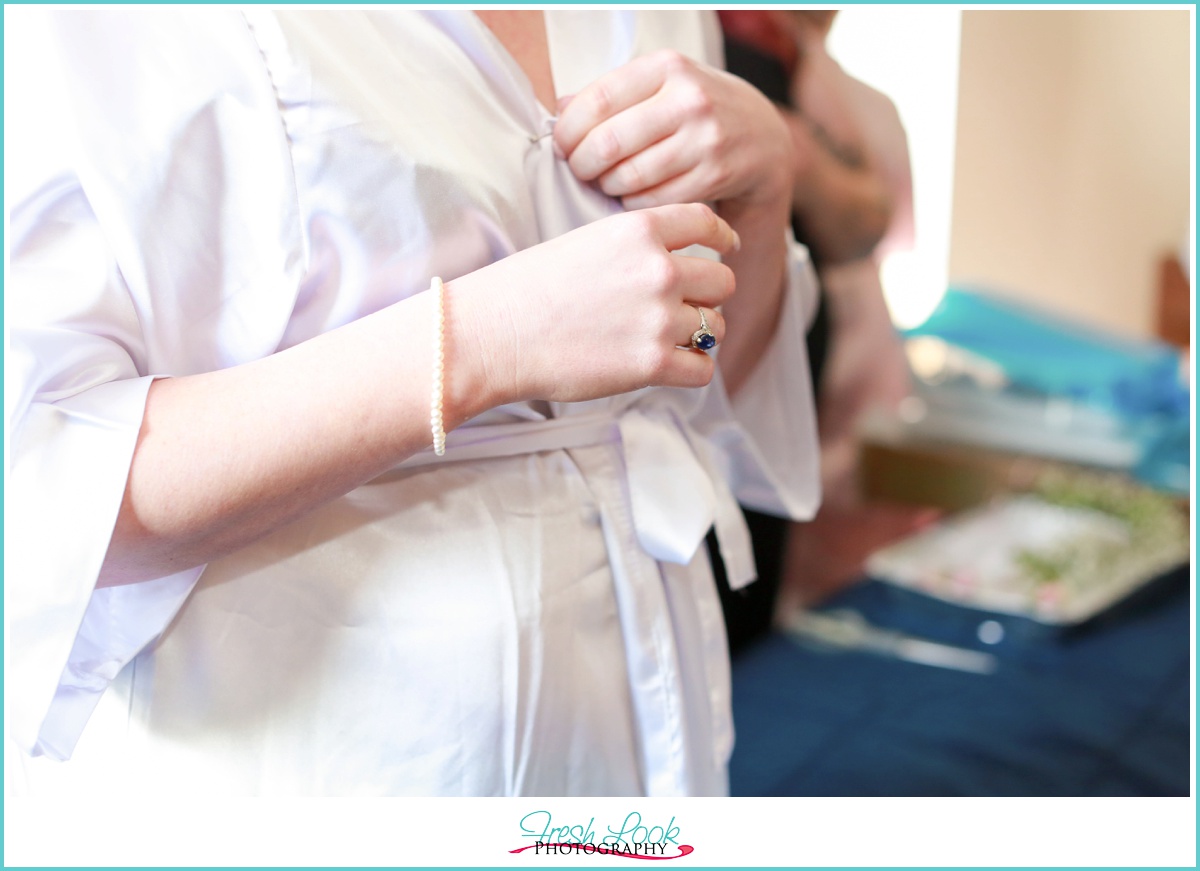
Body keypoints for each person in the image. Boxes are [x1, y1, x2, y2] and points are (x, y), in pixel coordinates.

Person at [6, 9, 820, 797]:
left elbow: (697, 390)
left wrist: (766, 190)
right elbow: (43, 483)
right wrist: (486, 342)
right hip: (325, 766)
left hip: (635, 733)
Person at [716, 9, 928, 640]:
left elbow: (872, 228)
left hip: (825, 364)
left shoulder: (846, 98)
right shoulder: (723, 45)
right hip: (737, 383)